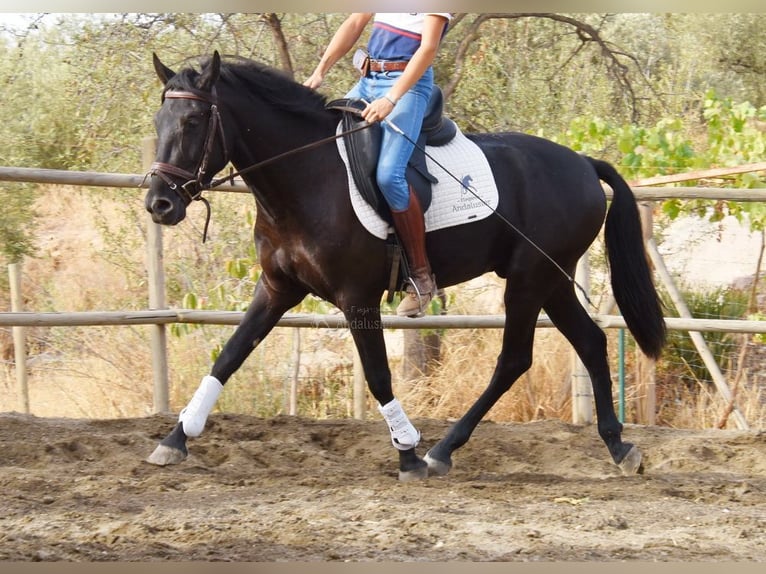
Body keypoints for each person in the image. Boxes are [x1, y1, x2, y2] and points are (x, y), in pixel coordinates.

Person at [305, 13, 451, 318]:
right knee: (326, 150)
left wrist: (392, 99)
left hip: (407, 87)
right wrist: (320, 71)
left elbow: (427, 50)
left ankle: (422, 278)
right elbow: (355, 22)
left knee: (389, 176)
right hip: (367, 81)